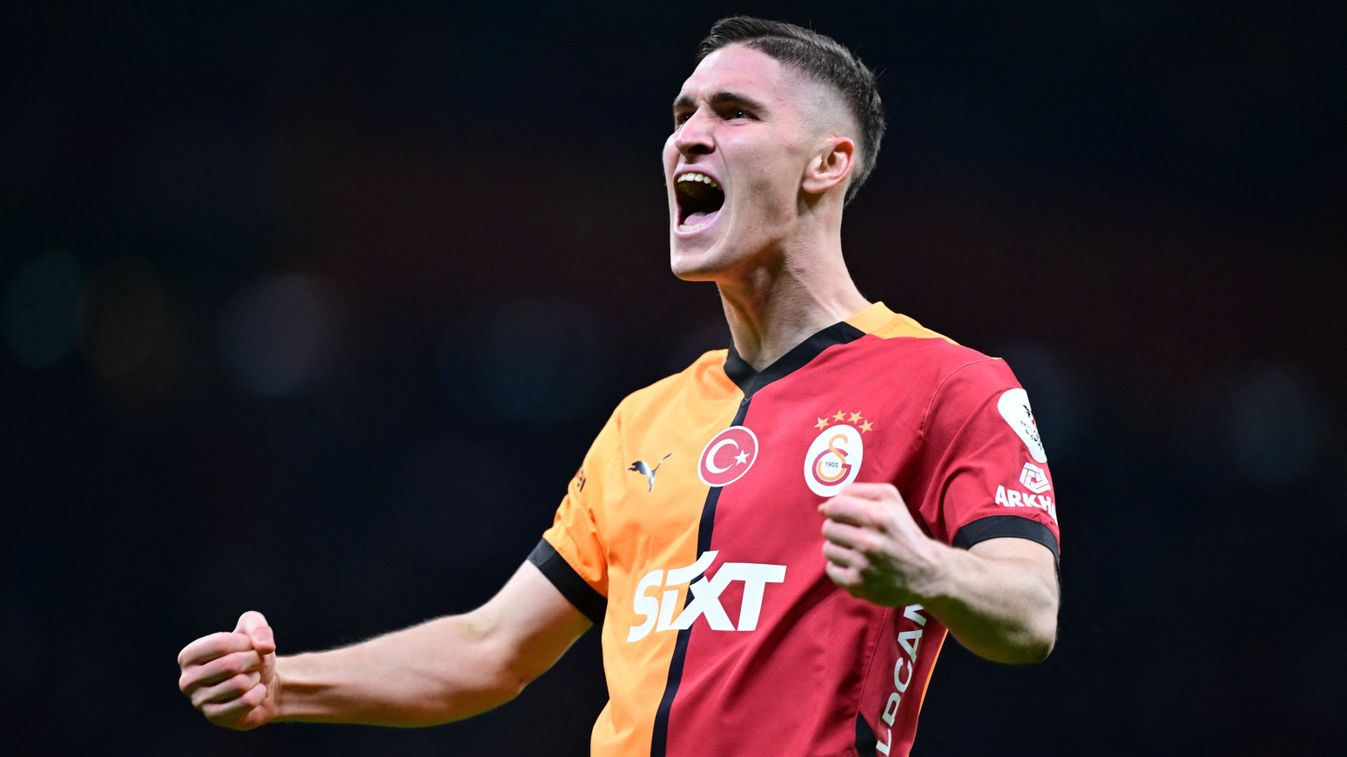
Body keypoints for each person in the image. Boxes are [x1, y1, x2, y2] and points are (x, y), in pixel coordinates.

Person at [177, 17, 1061, 756]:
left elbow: (1028, 610)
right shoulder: (645, 424)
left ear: (825, 165)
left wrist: (925, 569)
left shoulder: (948, 382)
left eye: (734, 112)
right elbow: (491, 648)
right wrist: (285, 683)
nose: (689, 134)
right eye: (681, 113)